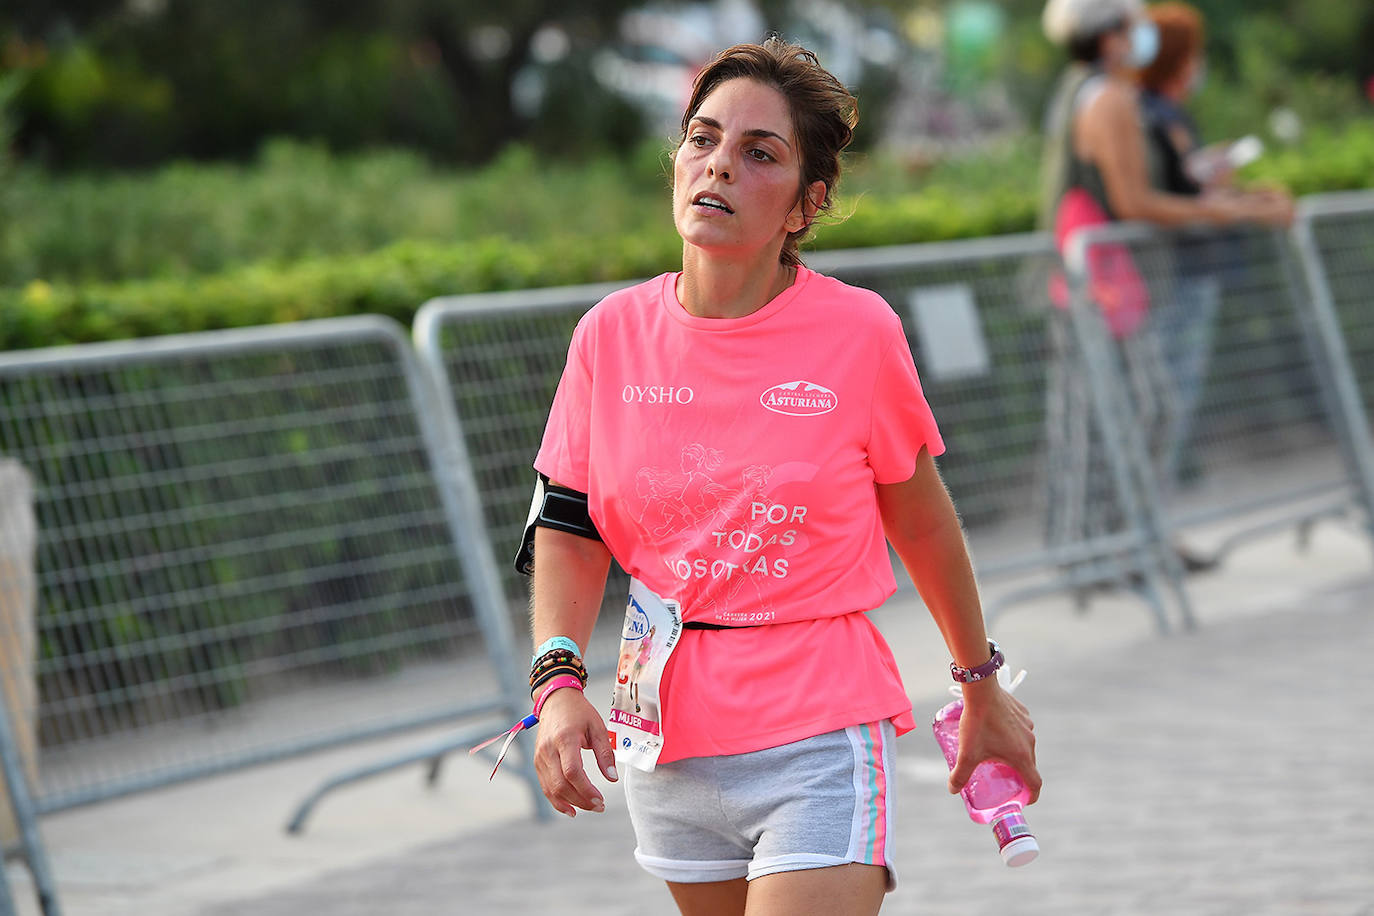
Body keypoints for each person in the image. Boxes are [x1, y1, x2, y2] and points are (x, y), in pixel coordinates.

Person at [517, 38, 1039, 916]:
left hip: (818, 730)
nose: (717, 164)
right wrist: (557, 685)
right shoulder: (606, 335)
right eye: (702, 138)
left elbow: (921, 520)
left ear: (808, 202)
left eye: (760, 152)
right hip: (668, 739)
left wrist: (979, 682)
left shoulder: (858, 332)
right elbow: (569, 526)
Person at [1037, 0, 1293, 576]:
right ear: (1108, 39)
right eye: (1131, 27)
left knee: (1117, 412)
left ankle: (1111, 548)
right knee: (1132, 411)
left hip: (1097, 278)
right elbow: (1136, 202)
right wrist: (1234, 212)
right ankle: (1101, 553)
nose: (1140, 36)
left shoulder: (1084, 90)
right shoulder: (1109, 98)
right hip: (1105, 281)